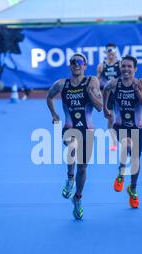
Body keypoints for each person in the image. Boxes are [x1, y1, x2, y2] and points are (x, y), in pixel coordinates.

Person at [46, 53, 103, 220]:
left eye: (80, 62)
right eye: (73, 62)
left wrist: (90, 93)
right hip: (69, 128)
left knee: (83, 167)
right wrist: (55, 114)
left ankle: (77, 198)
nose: (77, 64)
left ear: (85, 65)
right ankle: (70, 178)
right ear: (70, 66)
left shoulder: (92, 81)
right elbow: (49, 97)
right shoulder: (62, 84)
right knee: (72, 145)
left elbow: (99, 107)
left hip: (88, 129)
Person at [103, 55, 142, 208]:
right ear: (120, 68)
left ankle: (133, 189)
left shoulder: (141, 84)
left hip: (137, 127)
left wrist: (137, 92)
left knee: (136, 160)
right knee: (127, 145)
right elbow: (105, 89)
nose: (126, 69)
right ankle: (121, 172)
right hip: (119, 126)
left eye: (129, 66)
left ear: (135, 69)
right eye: (124, 66)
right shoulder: (114, 84)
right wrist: (105, 107)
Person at [97, 43, 121, 151]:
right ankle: (114, 142)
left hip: (119, 93)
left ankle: (126, 137)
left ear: (116, 52)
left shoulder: (120, 64)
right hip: (108, 94)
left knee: (123, 117)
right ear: (106, 52)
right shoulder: (101, 65)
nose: (111, 54)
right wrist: (97, 92)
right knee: (110, 118)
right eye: (109, 51)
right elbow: (96, 80)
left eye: (113, 51)